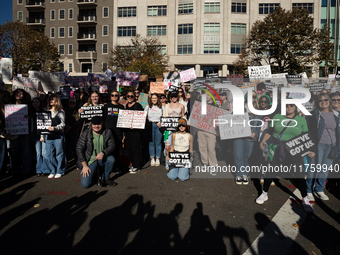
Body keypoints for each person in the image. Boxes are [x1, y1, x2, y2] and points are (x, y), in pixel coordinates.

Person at [258, 102, 315, 213]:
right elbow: (270, 131)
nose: (288, 107)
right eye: (286, 105)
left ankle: (305, 199)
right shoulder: (277, 117)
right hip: (277, 149)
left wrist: (310, 150)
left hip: (294, 151)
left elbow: (306, 136)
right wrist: (263, 141)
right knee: (270, 172)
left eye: (291, 105)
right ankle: (264, 193)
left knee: (299, 175)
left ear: (295, 107)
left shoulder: (301, 120)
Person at [306, 93, 340, 201]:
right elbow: (309, 132)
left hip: (332, 146)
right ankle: (309, 190)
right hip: (318, 145)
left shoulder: (335, 114)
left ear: (329, 101)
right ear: (317, 102)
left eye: (326, 99)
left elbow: (337, 132)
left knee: (324, 169)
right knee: (313, 168)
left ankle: (319, 188)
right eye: (321, 100)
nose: (323, 101)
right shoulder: (313, 114)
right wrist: (310, 148)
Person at [77, 116, 117, 188]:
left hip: (102, 158)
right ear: (91, 124)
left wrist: (103, 152)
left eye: (99, 124)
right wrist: (84, 166)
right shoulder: (86, 133)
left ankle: (106, 178)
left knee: (111, 159)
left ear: (102, 124)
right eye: (94, 124)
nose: (96, 126)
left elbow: (112, 146)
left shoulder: (107, 132)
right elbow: (79, 149)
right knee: (85, 185)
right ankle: (95, 174)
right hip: (89, 160)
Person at [233, 92, 261, 185]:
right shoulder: (238, 107)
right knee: (238, 155)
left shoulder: (257, 110)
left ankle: (245, 174)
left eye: (253, 97)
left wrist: (255, 133)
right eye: (249, 96)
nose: (251, 98)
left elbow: (259, 124)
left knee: (247, 156)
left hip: (250, 137)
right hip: (239, 135)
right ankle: (239, 174)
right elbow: (232, 118)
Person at [9, 89, 33, 176]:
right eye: (17, 93)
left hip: (25, 131)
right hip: (13, 131)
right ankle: (15, 170)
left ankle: (26, 170)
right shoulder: (9, 106)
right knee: (14, 151)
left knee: (26, 151)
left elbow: (32, 117)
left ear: (24, 95)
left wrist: (29, 117)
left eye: (21, 93)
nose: (19, 95)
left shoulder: (28, 106)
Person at [44, 94, 66, 179]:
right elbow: (42, 124)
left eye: (53, 99)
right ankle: (52, 170)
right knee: (49, 154)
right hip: (48, 135)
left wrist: (55, 128)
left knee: (59, 154)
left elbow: (63, 124)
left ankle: (60, 170)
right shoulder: (47, 110)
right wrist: (42, 135)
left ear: (57, 101)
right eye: (50, 99)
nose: (51, 101)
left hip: (58, 134)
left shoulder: (60, 111)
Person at [163, 91, 185, 170]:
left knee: (177, 146)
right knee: (168, 146)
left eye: (175, 96)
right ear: (170, 97)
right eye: (172, 96)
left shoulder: (181, 106)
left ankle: (175, 162)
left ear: (177, 97)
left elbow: (183, 116)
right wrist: (161, 123)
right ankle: (167, 163)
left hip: (177, 129)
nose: (174, 98)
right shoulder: (167, 106)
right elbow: (165, 116)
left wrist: (183, 125)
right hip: (168, 129)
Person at [103, 90, 124, 171]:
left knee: (117, 150)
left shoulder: (121, 107)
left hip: (118, 132)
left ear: (118, 97)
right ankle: (107, 167)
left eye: (116, 95)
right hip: (108, 132)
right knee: (107, 149)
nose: (114, 96)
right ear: (110, 96)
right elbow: (103, 119)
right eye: (113, 95)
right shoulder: (106, 106)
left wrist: (123, 133)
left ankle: (115, 166)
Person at [124, 91, 144, 174]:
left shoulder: (138, 105)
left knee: (135, 148)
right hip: (127, 130)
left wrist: (135, 125)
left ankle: (137, 166)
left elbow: (141, 118)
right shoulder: (126, 106)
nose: (130, 97)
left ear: (134, 97)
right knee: (129, 147)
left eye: (131, 96)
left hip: (135, 131)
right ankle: (133, 163)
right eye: (128, 96)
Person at [31, 97, 49, 176]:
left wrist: (43, 135)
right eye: (34, 102)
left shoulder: (44, 111)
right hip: (34, 134)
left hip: (43, 133)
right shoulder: (30, 112)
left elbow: (46, 124)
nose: (35, 103)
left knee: (44, 152)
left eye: (37, 102)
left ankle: (45, 169)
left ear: (40, 103)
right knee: (38, 153)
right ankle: (39, 170)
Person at [145, 94, 163, 166]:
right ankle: (152, 158)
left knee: (158, 143)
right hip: (150, 125)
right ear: (151, 99)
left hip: (158, 126)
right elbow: (144, 116)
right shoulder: (148, 107)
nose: (154, 99)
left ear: (158, 99)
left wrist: (161, 122)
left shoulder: (162, 107)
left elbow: (164, 115)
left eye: (155, 98)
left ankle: (158, 158)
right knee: (151, 143)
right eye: (152, 98)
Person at [65, 97, 80, 163]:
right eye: (70, 102)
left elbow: (77, 120)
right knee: (67, 148)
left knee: (75, 147)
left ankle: (77, 162)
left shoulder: (77, 110)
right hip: (65, 131)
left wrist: (70, 126)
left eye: (73, 102)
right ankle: (67, 161)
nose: (72, 104)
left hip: (74, 130)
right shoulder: (65, 110)